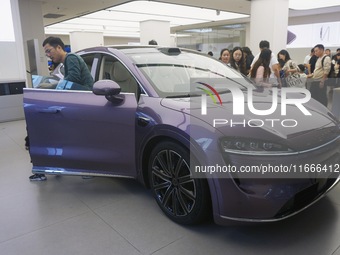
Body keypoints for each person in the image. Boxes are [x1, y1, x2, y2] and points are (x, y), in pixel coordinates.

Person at [29, 37, 94, 181]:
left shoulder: (70, 58)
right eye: (46, 53)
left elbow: (74, 79)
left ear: (58, 47)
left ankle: (85, 168)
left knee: (79, 136)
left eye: (49, 51)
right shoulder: (66, 63)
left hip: (85, 103)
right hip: (81, 103)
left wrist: (51, 85)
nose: (48, 55)